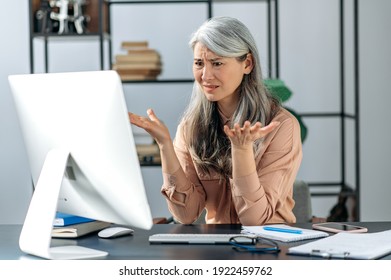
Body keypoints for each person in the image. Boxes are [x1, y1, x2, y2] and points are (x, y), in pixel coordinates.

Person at [129, 16, 302, 226]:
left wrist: (242, 150)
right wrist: (165, 145)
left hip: (270, 246)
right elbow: (186, 214)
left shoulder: (281, 126)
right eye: (199, 63)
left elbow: (254, 219)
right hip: (216, 247)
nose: (205, 75)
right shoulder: (190, 127)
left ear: (247, 64)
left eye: (217, 63)